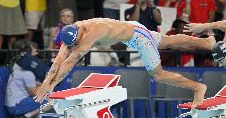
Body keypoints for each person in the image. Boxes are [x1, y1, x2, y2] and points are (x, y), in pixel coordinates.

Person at [35, 18, 215, 106]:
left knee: (158, 75)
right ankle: (207, 42)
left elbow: (69, 62)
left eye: (76, 44)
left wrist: (52, 85)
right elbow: (59, 59)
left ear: (80, 36)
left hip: (138, 37)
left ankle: (198, 88)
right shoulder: (74, 30)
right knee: (168, 41)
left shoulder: (93, 33)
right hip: (133, 28)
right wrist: (46, 83)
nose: (74, 47)